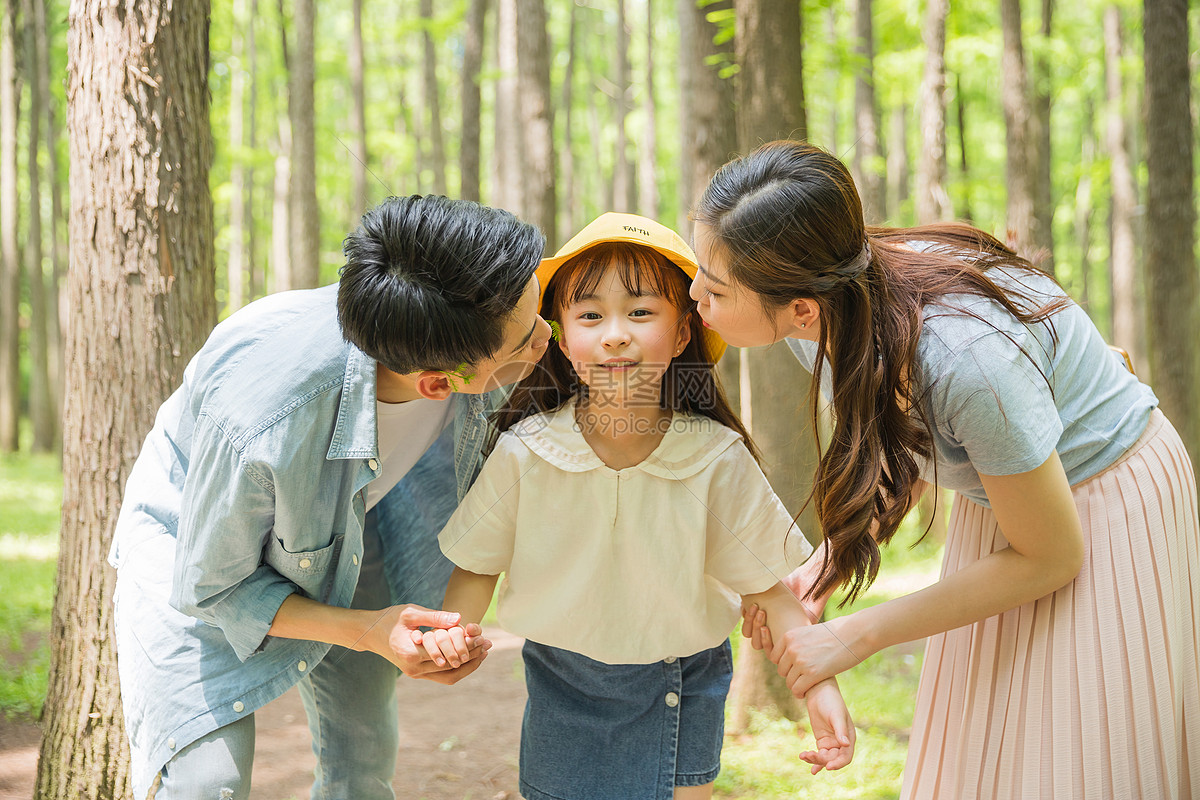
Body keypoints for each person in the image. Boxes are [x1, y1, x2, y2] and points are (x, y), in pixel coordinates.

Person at [688, 140, 1200, 800]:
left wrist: (853, 635)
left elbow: (1050, 557)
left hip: (1104, 496)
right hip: (1008, 495)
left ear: (801, 306)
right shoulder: (823, 315)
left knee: (1075, 753)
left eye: (715, 282)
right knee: (991, 747)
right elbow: (905, 443)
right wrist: (826, 567)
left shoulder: (966, 359)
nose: (695, 290)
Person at [109, 194, 555, 800]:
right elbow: (210, 583)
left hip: (350, 526)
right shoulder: (269, 415)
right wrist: (369, 630)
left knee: (363, 754)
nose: (546, 340)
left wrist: (440, 634)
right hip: (194, 548)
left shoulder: (450, 322)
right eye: (527, 341)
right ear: (435, 383)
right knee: (206, 782)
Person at [419, 212, 855, 800]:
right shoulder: (527, 451)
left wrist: (818, 687)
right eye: (590, 315)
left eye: (641, 312)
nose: (615, 333)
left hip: (683, 681)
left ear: (682, 334)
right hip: (559, 682)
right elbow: (476, 564)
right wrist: (454, 633)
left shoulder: (715, 457)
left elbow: (768, 590)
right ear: (563, 337)